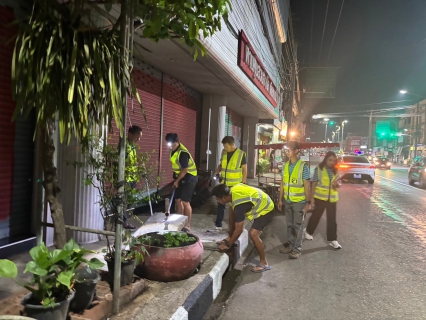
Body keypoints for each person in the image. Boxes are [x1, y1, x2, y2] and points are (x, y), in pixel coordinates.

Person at [212, 183, 274, 273]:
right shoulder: (232, 191)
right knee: (231, 210)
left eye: (218, 199)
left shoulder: (239, 205)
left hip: (266, 209)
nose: (217, 201)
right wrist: (230, 237)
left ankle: (264, 263)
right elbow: (232, 216)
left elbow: (239, 230)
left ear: (224, 197)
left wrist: (228, 244)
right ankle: (231, 238)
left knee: (253, 234)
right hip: (262, 202)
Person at [277, 140, 311, 259]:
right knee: (289, 225)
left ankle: (297, 250)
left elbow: (307, 185)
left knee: (298, 226)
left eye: (289, 149)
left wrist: (308, 202)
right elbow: (282, 183)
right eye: (286, 149)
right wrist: (280, 199)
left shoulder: (303, 166)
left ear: (296, 151)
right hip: (288, 201)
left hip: (299, 202)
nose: (287, 152)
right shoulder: (285, 165)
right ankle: (290, 246)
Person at [305, 151, 342, 249]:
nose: (332, 162)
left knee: (332, 219)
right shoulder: (319, 169)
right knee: (316, 216)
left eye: (334, 161)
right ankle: (308, 231)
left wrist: (337, 185)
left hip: (332, 198)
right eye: (330, 160)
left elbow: (339, 182)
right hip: (320, 197)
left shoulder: (336, 170)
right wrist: (311, 198)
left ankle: (333, 239)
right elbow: (314, 183)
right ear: (325, 159)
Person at [212, 136, 247, 231]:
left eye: (225, 145)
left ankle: (236, 226)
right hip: (224, 183)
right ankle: (218, 224)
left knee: (235, 206)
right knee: (220, 203)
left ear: (232, 144)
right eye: (223, 145)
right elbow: (221, 165)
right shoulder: (224, 152)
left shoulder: (241, 154)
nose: (224, 147)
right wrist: (217, 171)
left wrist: (243, 182)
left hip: (236, 185)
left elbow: (244, 169)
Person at [165, 133, 198, 232]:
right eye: (169, 144)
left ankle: (187, 225)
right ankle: (180, 221)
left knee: (185, 201)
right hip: (179, 177)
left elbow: (184, 170)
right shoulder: (173, 150)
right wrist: (176, 179)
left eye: (172, 144)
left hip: (190, 178)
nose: (170, 146)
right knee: (177, 200)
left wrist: (177, 181)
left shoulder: (183, 153)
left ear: (177, 142)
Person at [118, 125, 143, 229]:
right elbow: (121, 161)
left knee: (127, 202)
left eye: (140, 137)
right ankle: (122, 224)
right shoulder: (124, 145)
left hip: (132, 178)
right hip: (125, 179)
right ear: (130, 134)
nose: (138, 139)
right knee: (122, 202)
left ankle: (123, 222)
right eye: (137, 137)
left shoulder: (132, 145)